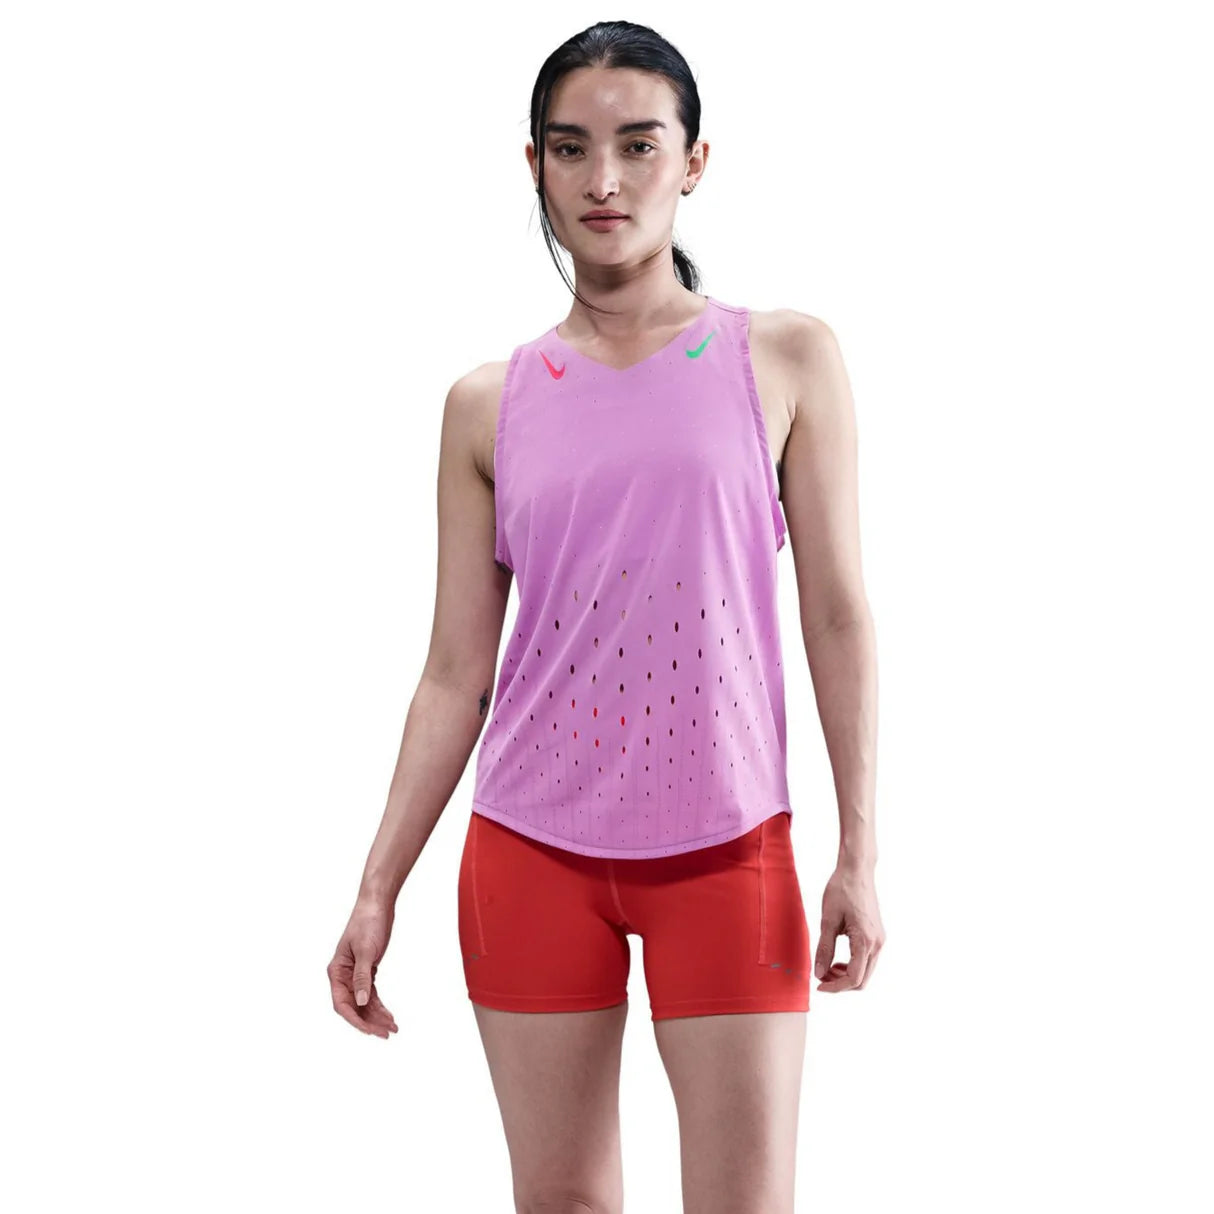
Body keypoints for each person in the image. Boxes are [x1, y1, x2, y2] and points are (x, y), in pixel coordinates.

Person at [328, 20, 884, 1214]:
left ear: (693, 161)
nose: (604, 180)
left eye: (638, 145)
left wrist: (859, 848)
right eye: (571, 148)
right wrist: (377, 884)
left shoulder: (784, 359)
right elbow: (453, 674)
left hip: (728, 846)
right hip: (528, 849)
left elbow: (836, 615)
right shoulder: (487, 404)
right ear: (533, 164)